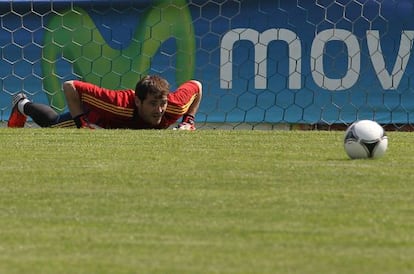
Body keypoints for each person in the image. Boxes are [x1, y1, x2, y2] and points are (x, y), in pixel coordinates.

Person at [7, 75, 202, 130]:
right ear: (137, 101)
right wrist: (81, 123)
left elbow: (197, 86)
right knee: (53, 123)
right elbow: (70, 86)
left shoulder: (175, 105)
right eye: (152, 104)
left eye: (162, 103)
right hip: (97, 118)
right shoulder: (118, 104)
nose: (159, 110)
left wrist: (189, 121)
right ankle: (22, 104)